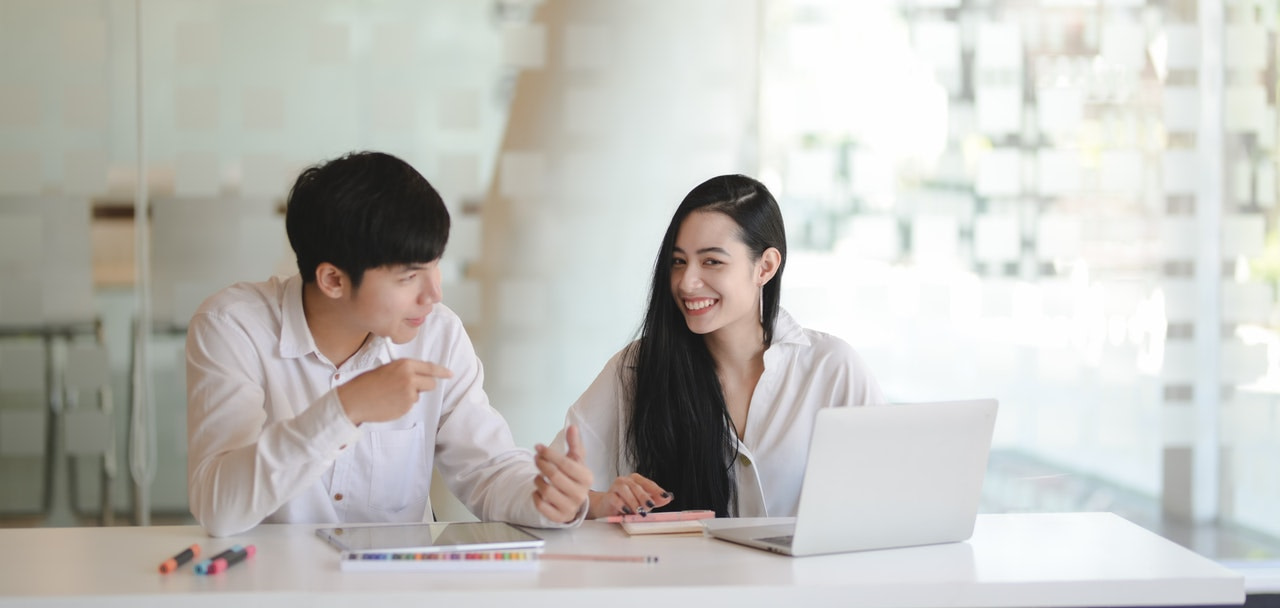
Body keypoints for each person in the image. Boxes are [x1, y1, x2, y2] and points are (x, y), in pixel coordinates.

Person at [186, 151, 591, 537]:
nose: (433, 293)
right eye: (408, 277)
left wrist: (542, 498)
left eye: (435, 266)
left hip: (398, 587)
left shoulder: (438, 333)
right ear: (333, 280)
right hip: (267, 587)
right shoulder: (233, 327)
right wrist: (344, 410)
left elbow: (486, 468)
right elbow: (219, 508)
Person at [553, 174, 882, 519]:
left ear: (765, 267)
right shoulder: (637, 367)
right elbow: (551, 488)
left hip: (805, 575)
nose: (687, 282)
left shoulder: (832, 369)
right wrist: (599, 502)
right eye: (678, 261)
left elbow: (888, 499)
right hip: (678, 574)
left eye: (712, 261)